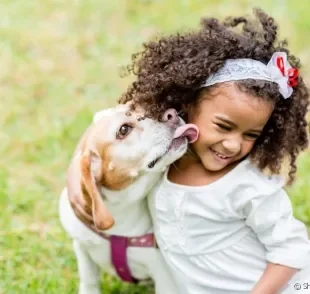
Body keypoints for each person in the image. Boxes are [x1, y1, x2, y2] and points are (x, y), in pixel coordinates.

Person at [119, 8, 310, 294]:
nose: (233, 144)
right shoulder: (161, 162)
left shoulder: (248, 187)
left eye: (251, 135)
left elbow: (292, 249)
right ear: (187, 104)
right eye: (223, 126)